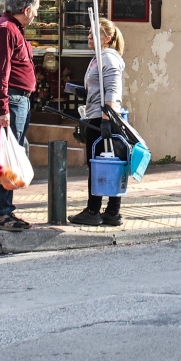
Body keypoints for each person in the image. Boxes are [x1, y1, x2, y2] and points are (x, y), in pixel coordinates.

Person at [0, 0, 41, 232]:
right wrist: (2, 108)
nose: (36, 15)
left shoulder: (12, 29)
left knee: (13, 154)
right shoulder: (6, 30)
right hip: (11, 101)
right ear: (26, 9)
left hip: (18, 100)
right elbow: (0, 72)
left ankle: (4, 210)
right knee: (4, 158)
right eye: (36, 10)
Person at [70, 19, 128, 227]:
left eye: (93, 34)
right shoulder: (97, 58)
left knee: (102, 165)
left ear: (107, 38)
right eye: (88, 33)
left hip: (104, 119)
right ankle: (110, 212)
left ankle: (96, 210)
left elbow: (112, 90)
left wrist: (105, 120)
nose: (88, 37)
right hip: (95, 115)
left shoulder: (109, 58)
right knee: (104, 164)